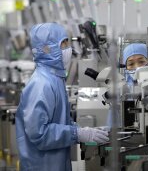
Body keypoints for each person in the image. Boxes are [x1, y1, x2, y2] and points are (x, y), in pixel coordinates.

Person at [15, 23, 109, 171]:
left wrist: (85, 131)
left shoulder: (54, 79)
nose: (68, 49)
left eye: (67, 42)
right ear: (46, 49)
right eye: (62, 44)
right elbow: (40, 134)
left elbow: (58, 121)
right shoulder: (41, 85)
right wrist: (77, 134)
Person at [106, 43, 148, 127]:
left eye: (141, 62)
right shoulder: (122, 91)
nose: (137, 67)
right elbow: (112, 125)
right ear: (125, 67)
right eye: (131, 64)